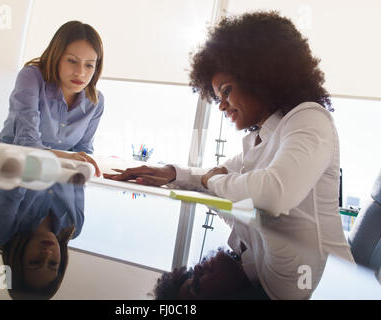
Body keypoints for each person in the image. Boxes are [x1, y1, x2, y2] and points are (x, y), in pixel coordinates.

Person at [105, 11, 354, 299]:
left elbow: (272, 194)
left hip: (335, 287)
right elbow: (213, 176)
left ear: (261, 76)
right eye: (217, 97)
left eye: (226, 92)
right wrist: (171, 173)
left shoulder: (307, 118)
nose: (221, 106)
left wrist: (215, 183)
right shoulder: (259, 141)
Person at [0, 20, 104, 176]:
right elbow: (27, 142)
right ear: (57, 56)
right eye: (72, 61)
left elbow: (83, 151)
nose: (80, 72)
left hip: (61, 176)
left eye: (89, 65)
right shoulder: (31, 77)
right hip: (15, 170)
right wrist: (68, 157)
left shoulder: (95, 101)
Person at [0, 182, 84, 299]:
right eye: (53, 263)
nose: (47, 254)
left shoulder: (1, 231)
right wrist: (83, 166)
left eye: (35, 262)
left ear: (18, 260)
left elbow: (13, 176)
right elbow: (79, 179)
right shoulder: (73, 227)